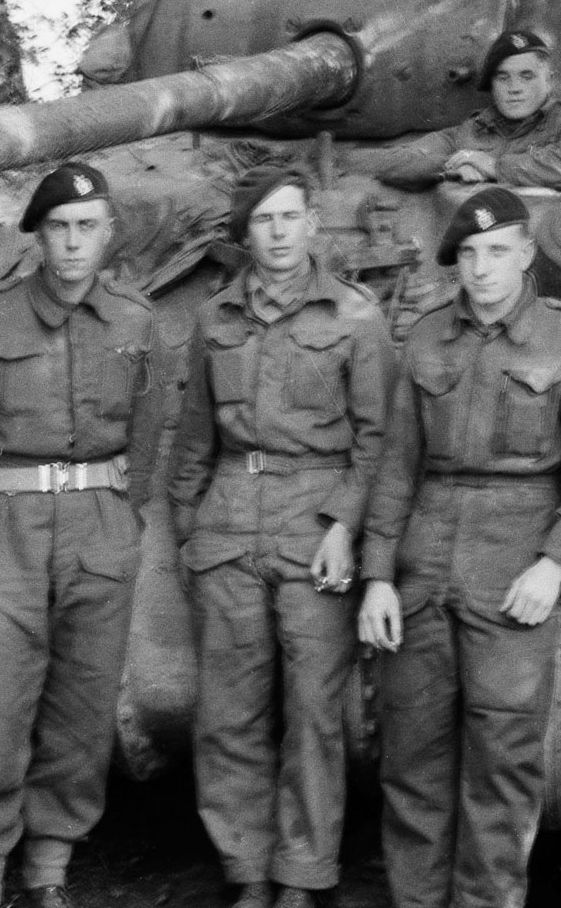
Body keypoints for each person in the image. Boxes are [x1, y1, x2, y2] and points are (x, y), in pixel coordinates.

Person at [357, 186, 561, 908]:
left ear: (527, 254)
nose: (481, 268)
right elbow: (395, 467)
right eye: (470, 254)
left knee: (502, 761)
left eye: (497, 251)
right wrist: (378, 575)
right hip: (422, 565)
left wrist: (554, 562)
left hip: (513, 565)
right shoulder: (424, 337)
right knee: (411, 760)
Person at [0, 162, 162, 908]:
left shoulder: (136, 320)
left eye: (87, 228)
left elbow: (146, 440)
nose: (72, 243)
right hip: (4, 529)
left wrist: (126, 520)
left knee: (82, 710)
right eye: (58, 228)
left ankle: (51, 868)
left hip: (98, 528)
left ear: (108, 235)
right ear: (39, 236)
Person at [167, 166, 397, 908]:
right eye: (264, 220)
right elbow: (194, 442)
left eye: (291, 217)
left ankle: (302, 875)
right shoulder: (214, 319)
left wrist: (345, 527)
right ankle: (247, 868)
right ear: (246, 233)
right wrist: (189, 529)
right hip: (229, 519)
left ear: (312, 225)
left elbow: (378, 441)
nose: (278, 231)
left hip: (316, 518)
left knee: (312, 711)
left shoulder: (357, 316)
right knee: (227, 712)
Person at [375, 30, 561, 192]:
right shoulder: (472, 130)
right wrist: (456, 165)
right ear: (491, 85)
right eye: (502, 77)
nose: (514, 88)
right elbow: (392, 163)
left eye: (527, 77)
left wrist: (493, 166)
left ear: (549, 81)